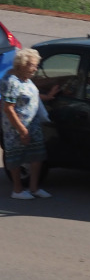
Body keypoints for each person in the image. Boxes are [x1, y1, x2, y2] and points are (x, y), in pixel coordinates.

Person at [2, 48, 58, 200]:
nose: (35, 68)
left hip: (32, 125)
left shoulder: (26, 78)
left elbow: (31, 94)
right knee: (16, 157)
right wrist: (21, 130)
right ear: (22, 64)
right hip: (16, 128)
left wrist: (47, 96)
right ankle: (17, 190)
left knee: (37, 156)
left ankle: (34, 188)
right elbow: (8, 108)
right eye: (33, 65)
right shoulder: (10, 81)